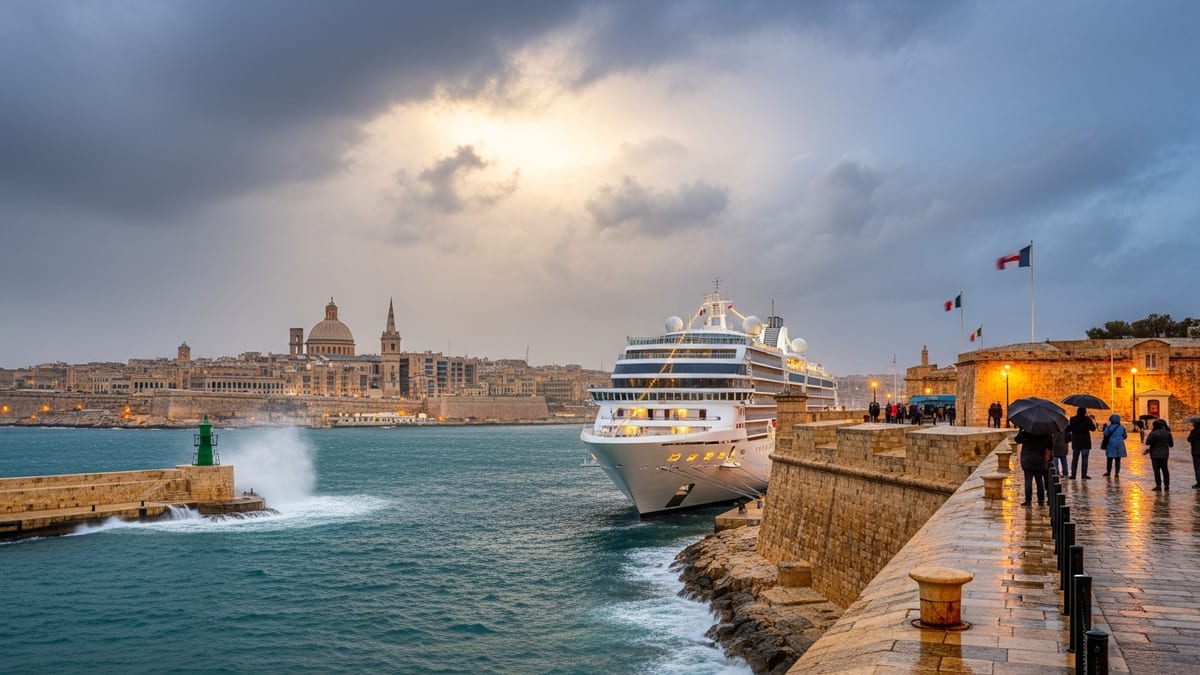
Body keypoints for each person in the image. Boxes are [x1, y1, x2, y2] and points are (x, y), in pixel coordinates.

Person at [1015, 427, 1051, 506]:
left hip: (1028, 460)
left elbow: (1017, 440)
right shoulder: (1045, 433)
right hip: (1039, 460)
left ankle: (1028, 500)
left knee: (1028, 481)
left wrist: (1021, 429)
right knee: (1039, 481)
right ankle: (1041, 500)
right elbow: (1050, 445)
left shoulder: (1027, 432)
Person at [1143, 418, 1174, 491]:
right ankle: (1167, 486)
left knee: (1156, 471)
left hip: (1155, 455)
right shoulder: (1167, 433)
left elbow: (1147, 442)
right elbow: (1171, 444)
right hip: (1164, 454)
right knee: (1165, 470)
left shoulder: (1153, 433)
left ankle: (1158, 486)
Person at [1067, 408, 1096, 479]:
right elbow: (1093, 429)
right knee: (1085, 460)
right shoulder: (1087, 419)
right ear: (1085, 412)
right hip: (1085, 442)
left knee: (1075, 459)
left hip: (1076, 442)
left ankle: (1073, 475)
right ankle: (1084, 475)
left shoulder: (1072, 419)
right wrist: (1091, 420)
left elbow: (1069, 429)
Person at [1102, 414, 1128, 478]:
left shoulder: (1109, 427)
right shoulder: (1122, 427)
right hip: (1120, 444)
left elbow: (1105, 434)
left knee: (1109, 459)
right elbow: (1125, 436)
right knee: (1118, 459)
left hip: (1111, 444)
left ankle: (1108, 472)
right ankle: (1116, 473)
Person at [1189, 420, 1200, 489]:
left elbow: (1189, 439)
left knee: (1197, 467)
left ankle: (1199, 483)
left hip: (1196, 452)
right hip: (1196, 451)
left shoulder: (1194, 432)